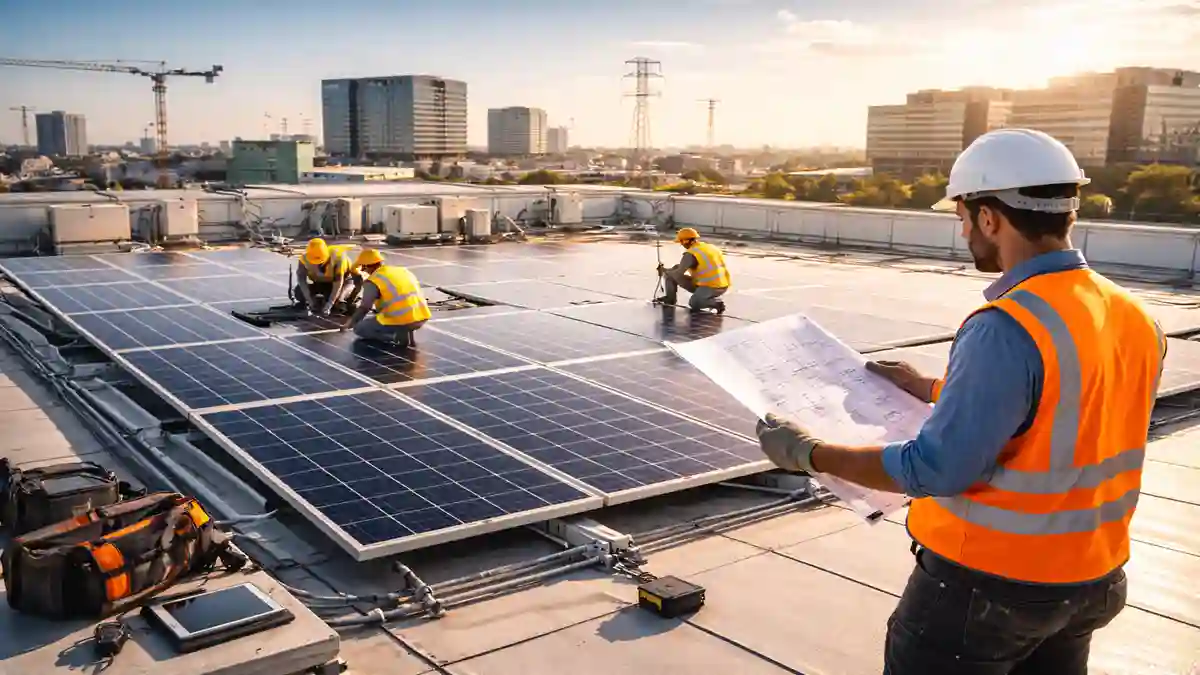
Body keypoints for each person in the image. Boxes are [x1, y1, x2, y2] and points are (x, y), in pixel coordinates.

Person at [754, 128, 1167, 675]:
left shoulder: (1007, 326)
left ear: (990, 218)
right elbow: (1067, 406)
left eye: (963, 217)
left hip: (991, 591)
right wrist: (929, 388)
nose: (964, 230)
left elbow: (937, 468)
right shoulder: (1132, 314)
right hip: (1094, 580)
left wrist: (808, 453)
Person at [340, 249, 431, 345]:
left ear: (367, 266)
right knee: (385, 314)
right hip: (421, 317)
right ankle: (406, 331)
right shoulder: (402, 270)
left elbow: (365, 307)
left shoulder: (373, 280)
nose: (363, 270)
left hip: (401, 320)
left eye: (363, 268)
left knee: (359, 329)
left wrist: (349, 323)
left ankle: (395, 337)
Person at [655, 227, 729, 313]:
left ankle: (716, 303)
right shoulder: (706, 247)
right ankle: (670, 298)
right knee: (672, 271)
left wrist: (663, 271)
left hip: (712, 286)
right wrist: (667, 271)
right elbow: (680, 268)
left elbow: (678, 273)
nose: (681, 244)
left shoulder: (691, 254)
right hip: (720, 284)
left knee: (694, 303)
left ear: (686, 241)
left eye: (681, 242)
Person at [295, 238, 352, 315]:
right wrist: (309, 300)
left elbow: (338, 283)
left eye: (319, 262)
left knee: (337, 301)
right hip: (320, 282)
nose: (316, 265)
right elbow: (301, 280)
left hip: (342, 283)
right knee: (299, 292)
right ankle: (322, 298)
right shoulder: (304, 259)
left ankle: (342, 299)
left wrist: (330, 304)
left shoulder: (338, 259)